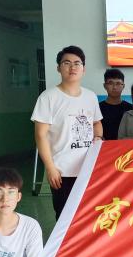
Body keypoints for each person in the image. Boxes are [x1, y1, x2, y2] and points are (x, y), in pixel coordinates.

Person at [31, 45, 102, 220]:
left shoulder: (90, 96)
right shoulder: (48, 97)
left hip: (88, 169)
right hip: (62, 171)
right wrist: (50, 168)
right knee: (64, 217)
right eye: (67, 63)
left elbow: (96, 123)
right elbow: (40, 135)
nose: (72, 67)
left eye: (77, 63)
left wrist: (98, 137)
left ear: (83, 69)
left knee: (89, 216)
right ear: (58, 68)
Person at [99, 68, 132, 140]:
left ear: (123, 86)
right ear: (105, 86)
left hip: (126, 146)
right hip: (103, 146)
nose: (114, 87)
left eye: (118, 83)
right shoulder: (97, 108)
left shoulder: (131, 109)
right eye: (110, 83)